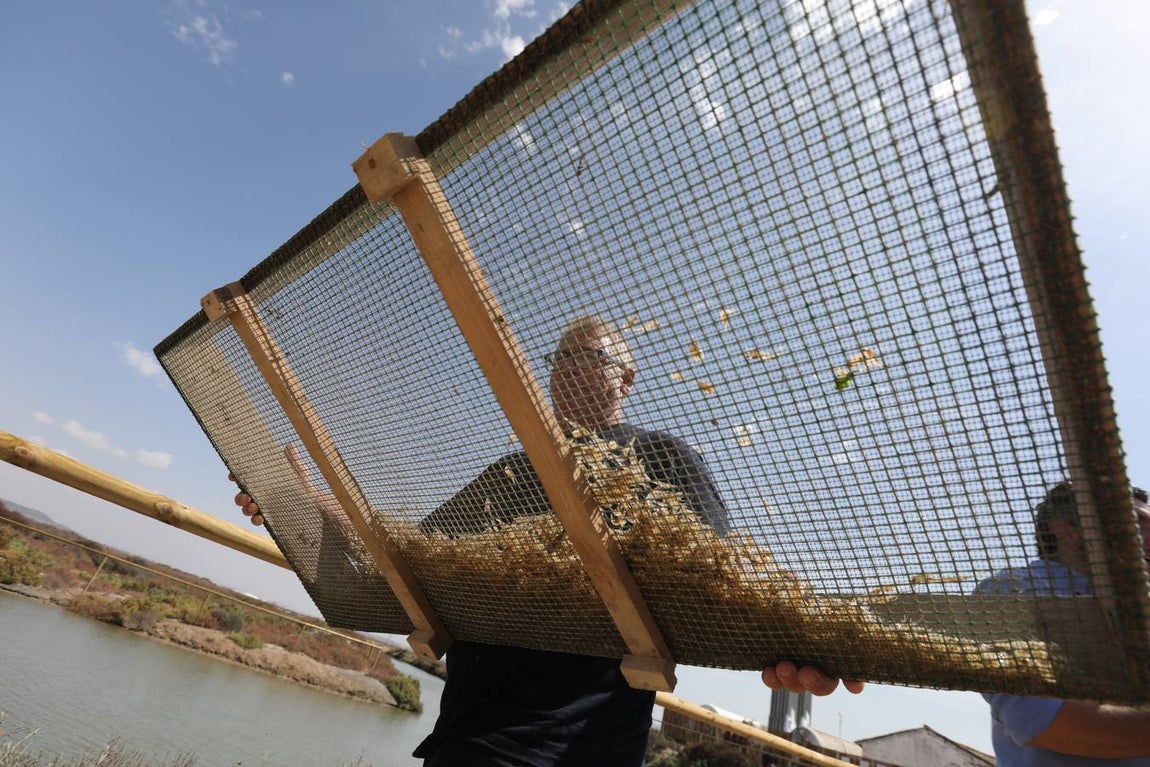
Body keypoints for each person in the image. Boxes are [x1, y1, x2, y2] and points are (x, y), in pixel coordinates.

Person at [234, 314, 862, 766]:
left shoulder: (661, 460)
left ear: (627, 377)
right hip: (467, 738)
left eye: (586, 356)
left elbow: (723, 583)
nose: (564, 371)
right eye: (558, 359)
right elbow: (405, 558)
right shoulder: (512, 474)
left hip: (574, 749)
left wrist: (793, 644)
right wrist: (304, 503)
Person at [974, 482, 1150, 766]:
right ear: (1069, 531)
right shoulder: (1016, 589)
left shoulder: (1135, 607)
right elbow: (1045, 721)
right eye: (1136, 522)